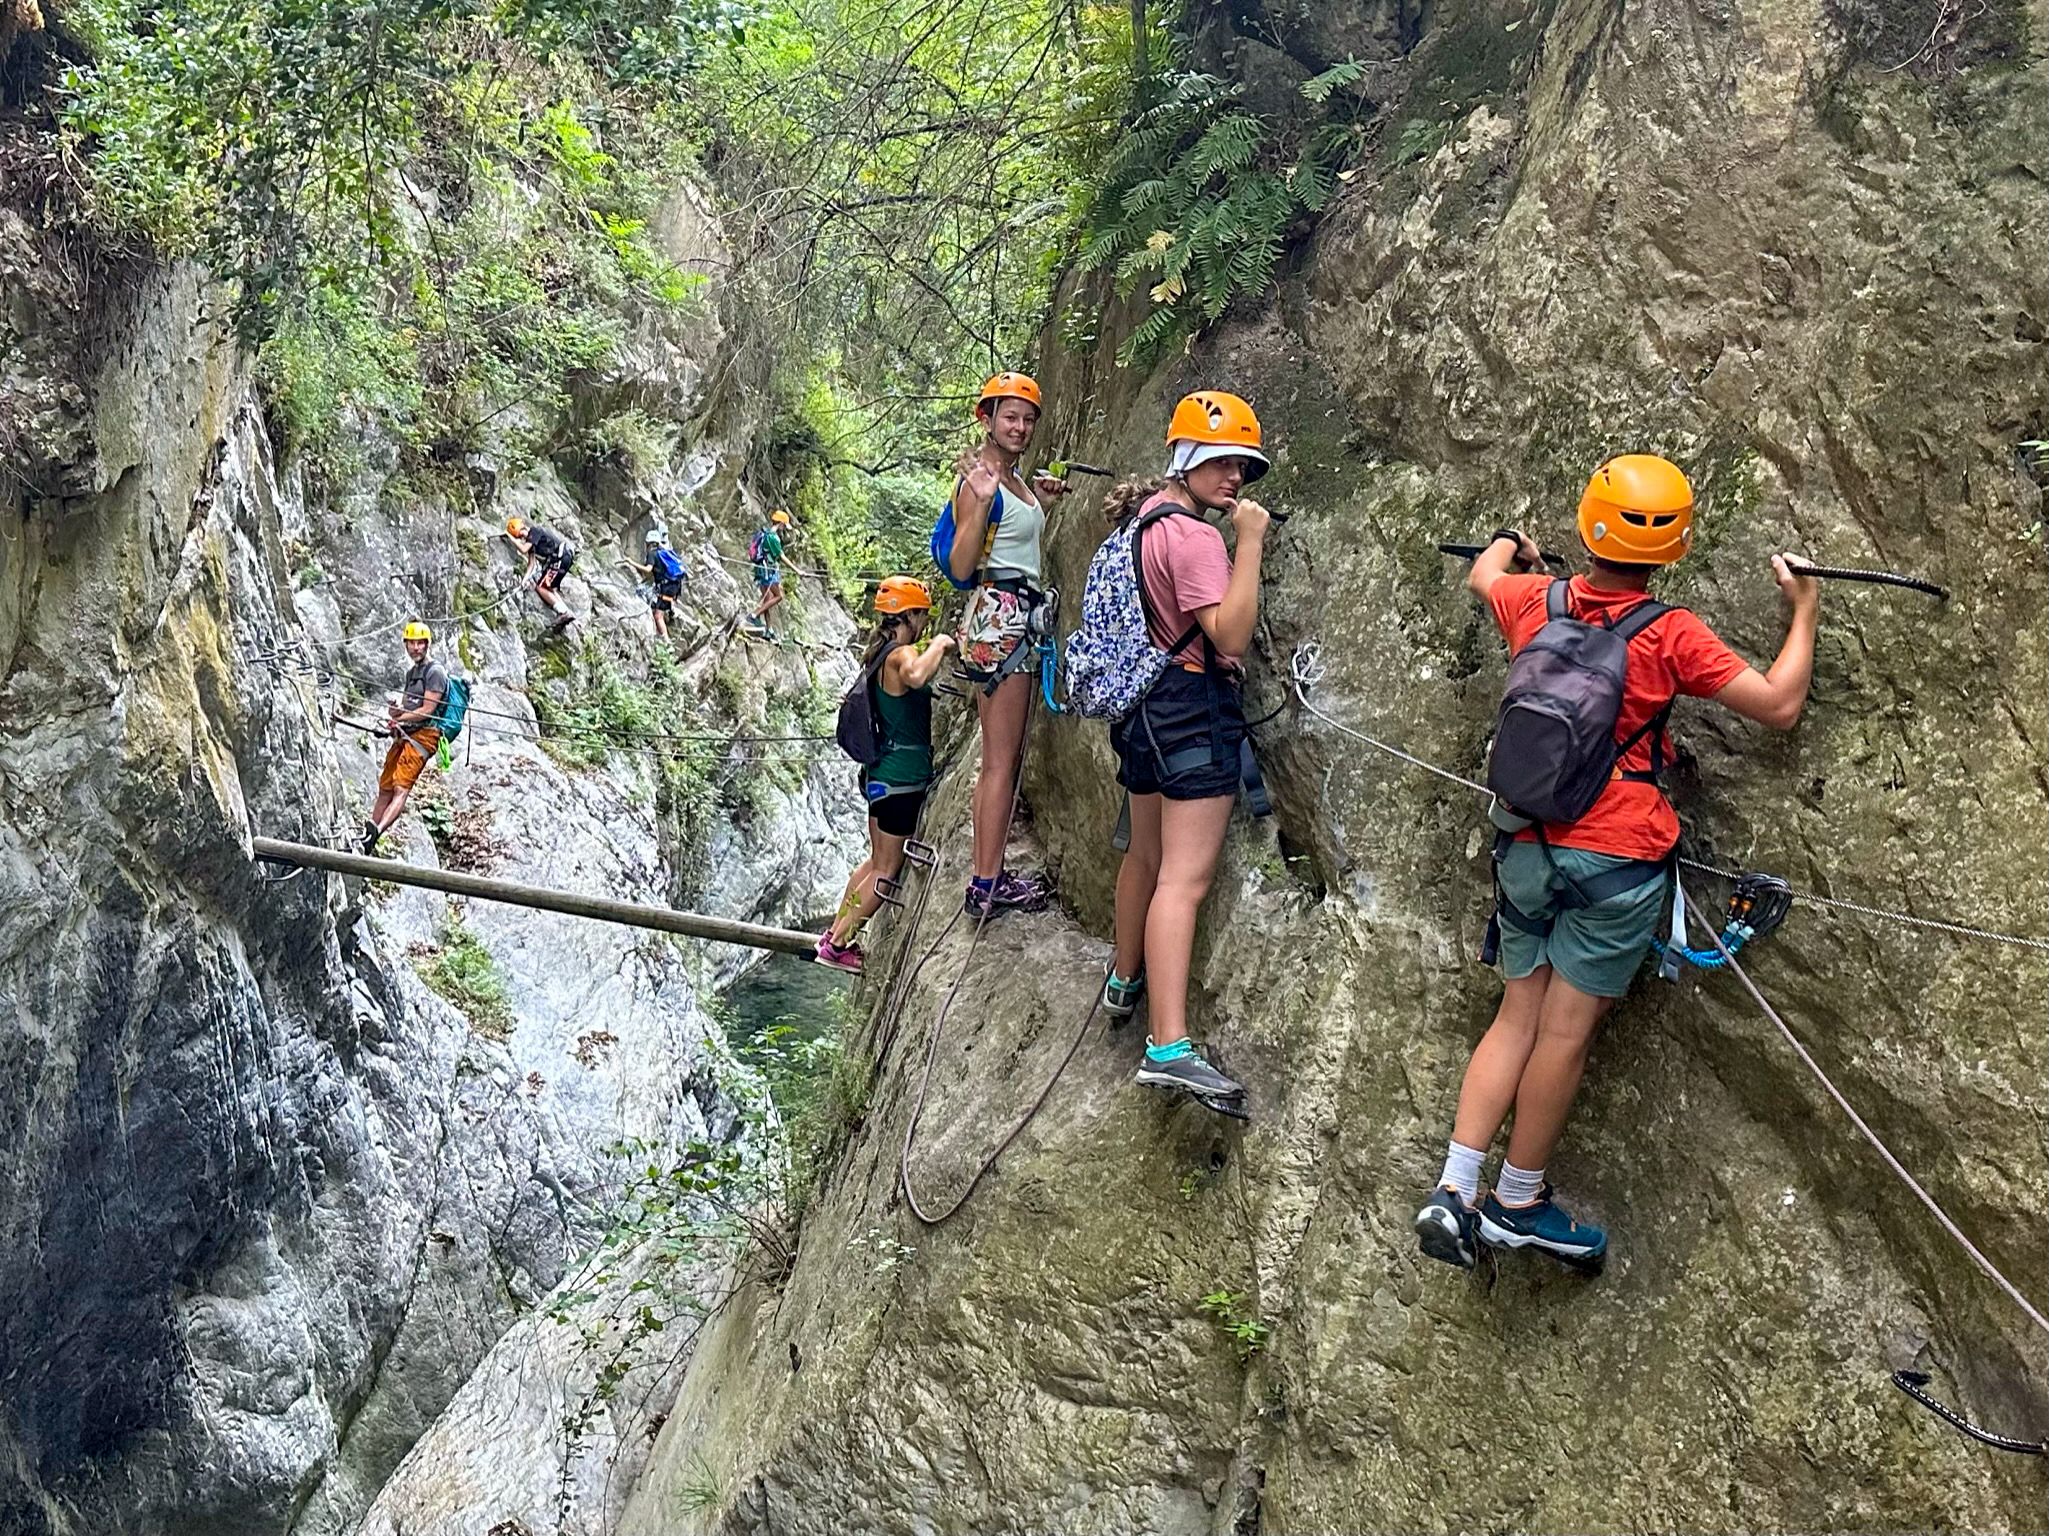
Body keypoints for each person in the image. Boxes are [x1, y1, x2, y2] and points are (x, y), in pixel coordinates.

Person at [1413, 454, 1821, 1272]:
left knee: (1515, 1016)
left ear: (1587, 523)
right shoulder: (1669, 634)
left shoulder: (1532, 601)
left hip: (1525, 841)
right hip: (1616, 856)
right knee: (1563, 1031)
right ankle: (1516, 1202)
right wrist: (1803, 609)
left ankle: (1453, 1187)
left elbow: (1483, 576)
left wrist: (1511, 543)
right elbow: (1777, 704)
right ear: (1674, 546)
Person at [1099, 390, 1273, 1110]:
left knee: (1143, 855)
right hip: (1190, 714)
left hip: (1140, 710)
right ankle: (1167, 1047)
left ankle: (1123, 978)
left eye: (1243, 467)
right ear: (1189, 457)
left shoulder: (1141, 521)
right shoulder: (1196, 537)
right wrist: (1250, 541)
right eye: (1223, 462)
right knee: (1183, 880)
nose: (1235, 477)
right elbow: (1228, 634)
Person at [942, 371, 1068, 919]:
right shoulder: (979, 481)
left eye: (1028, 418)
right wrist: (982, 501)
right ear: (987, 418)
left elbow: (1014, 543)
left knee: (1000, 757)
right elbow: (961, 565)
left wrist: (1039, 503)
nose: (1019, 426)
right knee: (1000, 761)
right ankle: (985, 885)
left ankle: (986, 878)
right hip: (1001, 617)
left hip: (1009, 615)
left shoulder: (1013, 479)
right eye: (1010, 416)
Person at [816, 578, 955, 973]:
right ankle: (839, 944)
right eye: (922, 616)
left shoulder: (877, 654)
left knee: (875, 862)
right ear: (909, 616)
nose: (925, 623)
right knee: (887, 869)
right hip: (902, 779)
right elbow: (916, 676)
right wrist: (941, 644)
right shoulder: (900, 655)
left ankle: (834, 933)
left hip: (881, 777)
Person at [363, 621, 448, 852]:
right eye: (412, 643)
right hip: (405, 734)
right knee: (386, 786)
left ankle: (377, 832)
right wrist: (395, 712)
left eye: (420, 643)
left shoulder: (435, 672)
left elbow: (427, 710)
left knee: (401, 787)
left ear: (427, 644)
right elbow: (407, 709)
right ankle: (367, 835)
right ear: (406, 645)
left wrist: (399, 719)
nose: (416, 648)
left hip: (424, 737)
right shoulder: (412, 674)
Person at [504, 515, 578, 630]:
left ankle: (563, 612)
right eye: (520, 537)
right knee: (550, 589)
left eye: (521, 534)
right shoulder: (531, 542)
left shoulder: (534, 531)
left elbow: (523, 549)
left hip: (560, 557)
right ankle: (569, 615)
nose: (523, 537)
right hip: (563, 558)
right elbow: (531, 564)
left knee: (540, 587)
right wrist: (524, 581)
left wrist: (510, 537)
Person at [747, 510, 794, 638]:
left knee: (768, 599)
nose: (784, 528)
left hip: (760, 569)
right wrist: (798, 571)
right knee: (779, 596)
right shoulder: (773, 537)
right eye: (784, 525)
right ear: (781, 523)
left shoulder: (765, 533)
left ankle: (769, 630)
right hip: (768, 571)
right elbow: (781, 556)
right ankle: (754, 615)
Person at [633, 526, 687, 639]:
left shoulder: (652, 554)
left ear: (649, 543)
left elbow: (648, 569)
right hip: (674, 586)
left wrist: (630, 562)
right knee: (657, 610)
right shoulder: (664, 553)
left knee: (658, 616)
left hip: (666, 587)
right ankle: (661, 634)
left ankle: (666, 641)